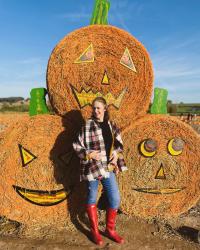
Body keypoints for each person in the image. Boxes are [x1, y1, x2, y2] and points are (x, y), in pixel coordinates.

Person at [73, 97, 128, 245]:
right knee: (92, 197)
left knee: (115, 199)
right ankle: (95, 231)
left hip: (108, 168)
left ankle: (110, 230)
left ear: (105, 109)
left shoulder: (112, 125)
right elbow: (77, 145)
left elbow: (119, 144)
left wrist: (116, 155)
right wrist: (89, 154)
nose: (96, 111)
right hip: (92, 167)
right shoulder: (87, 126)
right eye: (94, 108)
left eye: (99, 108)